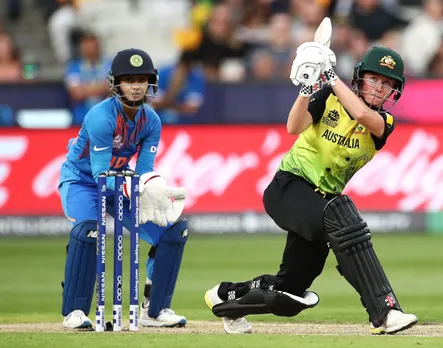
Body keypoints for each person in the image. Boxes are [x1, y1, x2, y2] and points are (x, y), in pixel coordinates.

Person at [204, 41, 419, 335]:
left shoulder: (385, 122)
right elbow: (294, 126)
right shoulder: (329, 95)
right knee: (345, 217)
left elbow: (363, 116)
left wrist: (329, 74)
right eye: (374, 79)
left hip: (322, 207)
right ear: (360, 78)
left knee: (290, 293)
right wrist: (307, 88)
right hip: (289, 188)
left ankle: (227, 298)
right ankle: (384, 312)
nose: (380, 88)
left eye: (387, 84)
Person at [59, 48, 189, 330]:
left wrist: (151, 186)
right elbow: (100, 175)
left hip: (121, 180)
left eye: (142, 79)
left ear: (150, 83)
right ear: (115, 83)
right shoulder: (101, 117)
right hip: (83, 182)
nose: (136, 85)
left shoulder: (151, 120)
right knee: (89, 230)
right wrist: (135, 189)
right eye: (128, 79)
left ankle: (154, 311)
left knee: (172, 231)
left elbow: (143, 169)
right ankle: (75, 312)